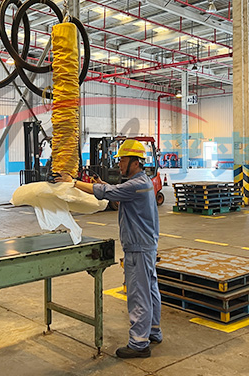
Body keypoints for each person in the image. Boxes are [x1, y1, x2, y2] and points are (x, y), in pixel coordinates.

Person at [55, 139, 162, 358]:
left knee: (138, 294)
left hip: (138, 248)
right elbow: (113, 191)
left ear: (135, 162)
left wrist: (73, 182)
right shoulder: (142, 182)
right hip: (146, 245)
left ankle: (139, 344)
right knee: (150, 289)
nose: (119, 164)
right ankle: (153, 331)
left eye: (122, 160)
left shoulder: (135, 185)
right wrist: (101, 183)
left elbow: (105, 192)